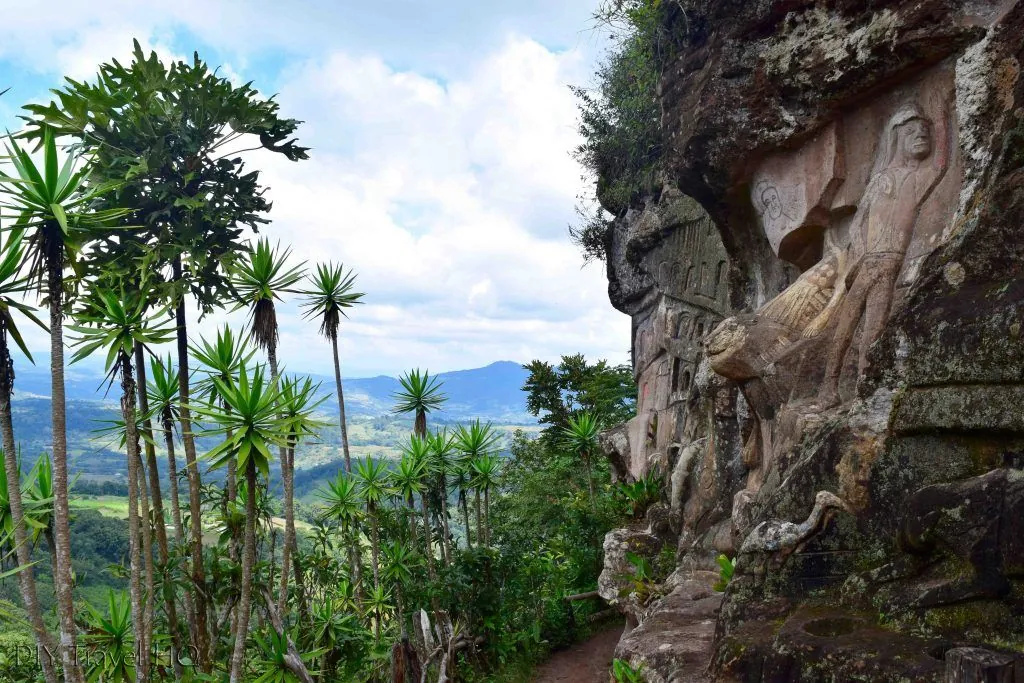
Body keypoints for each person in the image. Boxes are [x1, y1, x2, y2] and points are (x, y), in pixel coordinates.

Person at [815, 101, 948, 408]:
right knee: (845, 326)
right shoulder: (881, 178)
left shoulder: (920, 178)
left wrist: (943, 111)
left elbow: (941, 164)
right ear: (897, 138)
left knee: (874, 327)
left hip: (890, 264)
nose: (921, 136)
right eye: (913, 131)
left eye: (925, 132)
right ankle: (828, 387)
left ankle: (864, 384)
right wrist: (860, 256)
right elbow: (859, 222)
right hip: (868, 264)